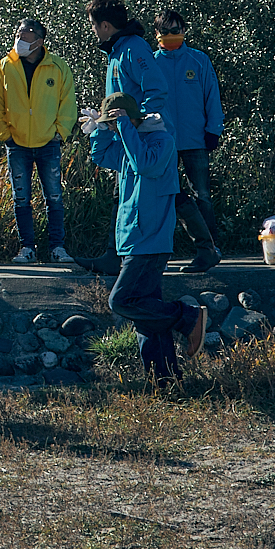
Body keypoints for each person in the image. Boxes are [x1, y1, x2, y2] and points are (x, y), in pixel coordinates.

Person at [86, 93, 206, 380]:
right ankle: (164, 380)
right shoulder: (130, 143)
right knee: (147, 319)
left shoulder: (161, 142)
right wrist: (99, 132)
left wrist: (124, 126)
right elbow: (102, 156)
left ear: (130, 118)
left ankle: (187, 317)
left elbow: (144, 164)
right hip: (133, 239)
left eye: (113, 122)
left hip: (151, 240)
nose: (114, 128)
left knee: (122, 300)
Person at [76, 0, 172, 275]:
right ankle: (114, 254)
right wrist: (106, 126)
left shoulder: (133, 49)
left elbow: (157, 91)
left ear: (105, 25)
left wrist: (136, 124)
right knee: (128, 194)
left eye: (93, 25)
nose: (93, 30)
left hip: (144, 138)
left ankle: (204, 246)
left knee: (165, 192)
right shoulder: (117, 51)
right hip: (127, 138)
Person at [0, 18, 78, 266]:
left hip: (48, 143)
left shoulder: (57, 67)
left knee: (54, 196)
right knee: (21, 197)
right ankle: (27, 247)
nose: (19, 38)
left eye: (25, 34)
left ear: (39, 39)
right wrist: (4, 134)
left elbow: (67, 102)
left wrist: (61, 131)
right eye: (17, 33)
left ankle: (58, 247)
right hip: (17, 144)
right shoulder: (5, 66)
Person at [154, 9, 225, 273]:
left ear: (184, 31)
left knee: (202, 196)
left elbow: (212, 96)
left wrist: (213, 129)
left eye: (176, 30)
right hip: (164, 142)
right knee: (167, 196)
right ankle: (163, 249)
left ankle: (211, 247)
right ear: (157, 35)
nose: (172, 36)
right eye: (166, 32)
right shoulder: (151, 64)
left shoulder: (199, 60)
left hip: (196, 139)